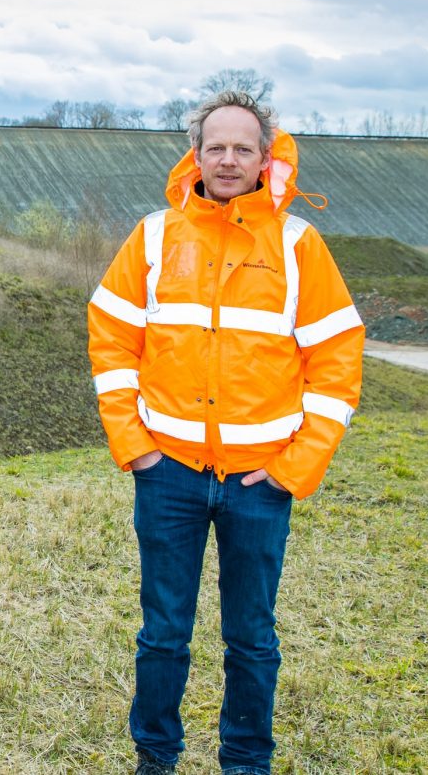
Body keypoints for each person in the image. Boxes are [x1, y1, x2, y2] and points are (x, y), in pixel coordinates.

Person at [87, 91, 364, 775]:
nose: (230, 159)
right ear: (196, 154)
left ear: (267, 157)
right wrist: (137, 447)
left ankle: (246, 762)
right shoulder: (154, 237)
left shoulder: (300, 245)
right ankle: (156, 757)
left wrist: (295, 468)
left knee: (251, 639)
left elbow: (336, 361)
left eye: (244, 148)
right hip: (169, 474)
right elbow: (112, 340)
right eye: (217, 147)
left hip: (259, 483)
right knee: (162, 634)